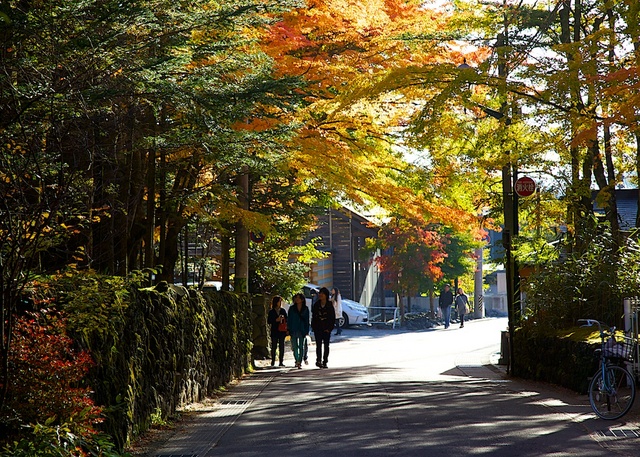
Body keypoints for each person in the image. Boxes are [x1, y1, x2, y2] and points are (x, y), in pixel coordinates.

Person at [311, 287, 335, 368]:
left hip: (326, 328)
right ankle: (318, 360)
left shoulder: (329, 305)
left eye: (322, 293)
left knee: (326, 345)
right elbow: (314, 317)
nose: (320, 295)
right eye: (320, 293)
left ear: (326, 295)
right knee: (318, 345)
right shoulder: (316, 304)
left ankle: (325, 361)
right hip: (318, 328)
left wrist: (329, 328)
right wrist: (313, 327)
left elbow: (332, 317)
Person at [288, 293, 310, 369]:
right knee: (294, 346)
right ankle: (296, 359)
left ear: (302, 299)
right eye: (296, 298)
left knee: (301, 346)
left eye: (299, 298)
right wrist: (288, 329)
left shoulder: (305, 309)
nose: (297, 299)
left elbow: (307, 320)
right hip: (293, 328)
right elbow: (289, 319)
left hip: (302, 329)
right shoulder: (292, 308)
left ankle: (299, 361)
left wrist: (307, 330)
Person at [267, 295, 287, 367]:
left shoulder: (283, 310)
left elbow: (286, 320)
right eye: (279, 301)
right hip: (274, 330)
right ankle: (273, 361)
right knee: (274, 346)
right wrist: (276, 320)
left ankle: (281, 361)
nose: (280, 303)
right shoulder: (271, 311)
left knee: (282, 346)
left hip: (282, 330)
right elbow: (269, 321)